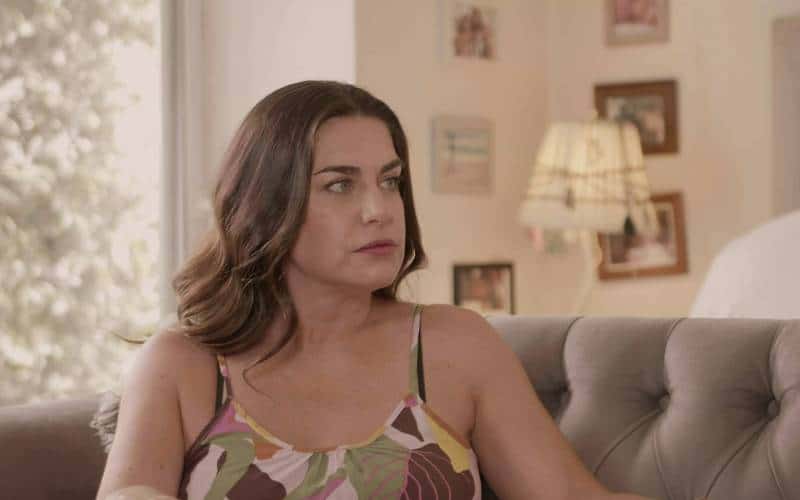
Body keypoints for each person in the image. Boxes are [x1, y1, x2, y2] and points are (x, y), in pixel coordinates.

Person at [97, 81, 652, 500]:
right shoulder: (181, 366)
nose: (379, 210)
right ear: (264, 204)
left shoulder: (455, 346)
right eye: (340, 185)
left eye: (390, 181)